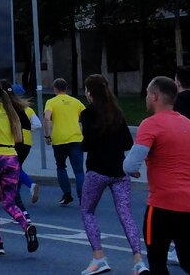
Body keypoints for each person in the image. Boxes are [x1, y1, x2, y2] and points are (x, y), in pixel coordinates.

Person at [124, 75, 190, 273]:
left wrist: (136, 171)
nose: (146, 97)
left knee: (157, 263)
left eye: (148, 93)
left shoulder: (151, 124)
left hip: (162, 205)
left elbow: (130, 165)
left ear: (155, 96)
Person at [75, 74, 146, 275]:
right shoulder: (117, 112)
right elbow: (127, 143)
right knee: (125, 214)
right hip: (119, 171)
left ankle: (99, 257)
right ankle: (139, 261)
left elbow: (87, 144)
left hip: (97, 171)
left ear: (89, 92)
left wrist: (83, 143)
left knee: (87, 211)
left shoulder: (88, 114)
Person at [0, 79, 37, 256]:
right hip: (11, 157)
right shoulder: (11, 110)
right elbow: (19, 138)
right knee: (8, 201)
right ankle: (26, 225)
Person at [44, 77, 86, 206]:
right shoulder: (76, 102)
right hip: (76, 138)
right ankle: (83, 198)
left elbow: (47, 119)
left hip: (59, 139)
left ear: (55, 89)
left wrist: (47, 135)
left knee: (61, 166)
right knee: (79, 170)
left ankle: (67, 194)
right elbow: (86, 118)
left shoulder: (51, 102)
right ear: (66, 88)